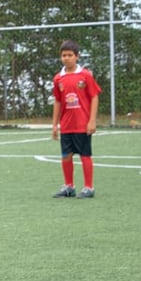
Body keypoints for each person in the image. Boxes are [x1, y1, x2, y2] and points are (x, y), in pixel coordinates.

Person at [51, 39, 102, 199]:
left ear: (77, 57)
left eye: (70, 55)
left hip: (82, 124)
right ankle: (69, 186)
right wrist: (54, 125)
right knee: (66, 155)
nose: (66, 58)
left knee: (84, 155)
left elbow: (94, 97)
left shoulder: (85, 75)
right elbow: (58, 101)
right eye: (64, 55)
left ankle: (88, 187)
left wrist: (92, 120)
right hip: (66, 125)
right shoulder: (58, 78)